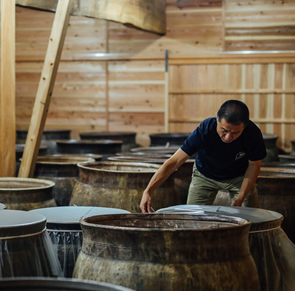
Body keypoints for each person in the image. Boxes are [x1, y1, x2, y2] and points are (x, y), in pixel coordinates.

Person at [140, 100, 267, 213]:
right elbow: (174, 161)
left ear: (244, 126)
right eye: (224, 130)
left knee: (250, 219)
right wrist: (148, 191)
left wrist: (240, 198)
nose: (228, 137)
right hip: (205, 175)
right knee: (193, 218)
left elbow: (253, 166)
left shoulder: (253, 134)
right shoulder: (205, 129)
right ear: (217, 118)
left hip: (239, 177)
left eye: (235, 133)